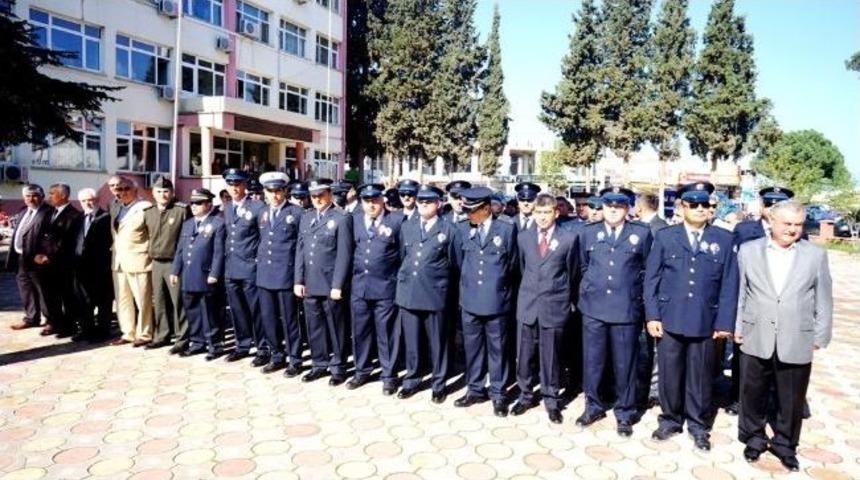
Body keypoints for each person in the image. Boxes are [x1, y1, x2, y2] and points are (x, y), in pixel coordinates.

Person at [734, 200, 832, 472]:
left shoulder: (815, 255)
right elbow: (741, 292)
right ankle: (753, 438)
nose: (792, 229)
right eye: (787, 223)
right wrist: (738, 327)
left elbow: (824, 298)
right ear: (772, 222)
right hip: (756, 333)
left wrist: (820, 335)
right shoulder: (749, 251)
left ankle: (785, 445)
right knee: (752, 392)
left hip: (796, 336)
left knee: (792, 398)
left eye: (798, 225)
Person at [644, 182, 738, 452]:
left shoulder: (723, 239)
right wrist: (652, 316)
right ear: (682, 207)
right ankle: (670, 420)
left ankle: (698, 425)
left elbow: (729, 284)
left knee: (700, 376)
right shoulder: (665, 236)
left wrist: (724, 322)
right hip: (670, 318)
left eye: (704, 205)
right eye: (693, 204)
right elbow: (652, 279)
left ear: (711, 209)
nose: (699, 209)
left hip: (705, 321)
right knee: (669, 374)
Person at [576, 187, 652, 437]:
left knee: (625, 364)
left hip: (625, 310)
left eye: (619, 206)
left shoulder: (640, 234)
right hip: (594, 309)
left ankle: (625, 412)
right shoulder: (588, 233)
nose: (613, 210)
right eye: (609, 205)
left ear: (627, 208)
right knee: (593, 362)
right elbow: (582, 267)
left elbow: (647, 272)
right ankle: (593, 406)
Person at [726, 186, 797, 416]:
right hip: (751, 302)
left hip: (781, 304)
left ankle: (774, 399)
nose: (771, 209)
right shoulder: (744, 230)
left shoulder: (796, 232)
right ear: (761, 205)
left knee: (779, 353)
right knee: (744, 354)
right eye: (768, 204)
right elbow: (735, 270)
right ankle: (738, 398)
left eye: (779, 206)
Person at [511, 193, 579, 424]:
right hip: (528, 305)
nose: (542, 217)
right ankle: (525, 395)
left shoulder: (569, 239)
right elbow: (520, 269)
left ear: (556, 213)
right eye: (538, 213)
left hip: (554, 306)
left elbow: (572, 273)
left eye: (547, 212)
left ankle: (551, 400)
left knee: (551, 357)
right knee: (525, 355)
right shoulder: (523, 238)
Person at [452, 187, 518, 417]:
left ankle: (499, 394)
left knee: (497, 349)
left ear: (486, 208)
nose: (468, 215)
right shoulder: (461, 229)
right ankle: (475, 389)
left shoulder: (507, 230)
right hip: (470, 300)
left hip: (497, 301)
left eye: (473, 211)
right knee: (473, 348)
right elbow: (458, 262)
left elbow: (513, 265)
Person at [396, 185, 457, 404]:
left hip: (434, 294)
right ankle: (412, 380)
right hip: (409, 293)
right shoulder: (407, 227)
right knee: (412, 342)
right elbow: (402, 257)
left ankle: (439, 384)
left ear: (438, 204)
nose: (423, 204)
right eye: (420, 201)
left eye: (428, 201)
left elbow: (454, 264)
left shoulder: (449, 229)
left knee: (437, 343)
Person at [294, 179, 354, 385]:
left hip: (330, 284)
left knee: (336, 327)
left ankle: (338, 366)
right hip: (310, 283)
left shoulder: (341, 217)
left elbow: (344, 255)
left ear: (329, 194)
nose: (317, 199)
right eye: (313, 196)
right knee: (314, 326)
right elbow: (300, 250)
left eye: (321, 195)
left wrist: (338, 284)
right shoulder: (307, 217)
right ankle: (319, 364)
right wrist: (298, 280)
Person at [348, 183, 406, 393]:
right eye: (367, 201)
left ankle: (389, 375)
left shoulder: (397, 221)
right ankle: (361, 371)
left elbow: (403, 256)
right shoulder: (353, 221)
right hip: (360, 288)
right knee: (360, 332)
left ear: (383, 200)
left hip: (385, 289)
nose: (371, 205)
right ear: (361, 202)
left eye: (375, 200)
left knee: (386, 334)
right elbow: (348, 253)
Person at [255, 172, 305, 376]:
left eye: (278, 191)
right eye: (270, 191)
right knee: (268, 318)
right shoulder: (262, 212)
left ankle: (295, 359)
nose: (274, 195)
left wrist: (298, 278)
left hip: (286, 275)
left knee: (290, 320)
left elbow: (300, 247)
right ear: (264, 192)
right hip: (265, 275)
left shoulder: (297, 213)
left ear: (285, 191)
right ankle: (276, 355)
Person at [171, 189, 226, 360]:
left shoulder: (217, 223)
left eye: (198, 203)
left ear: (208, 204)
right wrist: (175, 270)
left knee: (209, 312)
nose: (194, 206)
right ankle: (197, 342)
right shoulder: (188, 224)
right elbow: (180, 249)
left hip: (206, 275)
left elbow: (219, 252)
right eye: (192, 203)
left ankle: (214, 345)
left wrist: (215, 273)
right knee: (192, 311)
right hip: (188, 275)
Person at [221, 168, 267, 365]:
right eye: (231, 184)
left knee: (256, 310)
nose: (234, 188)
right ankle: (242, 345)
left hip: (250, 268)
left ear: (245, 185)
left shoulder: (257, 207)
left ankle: (263, 347)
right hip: (231, 268)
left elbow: (264, 238)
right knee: (237, 310)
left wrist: (258, 262)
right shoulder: (226, 208)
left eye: (238, 184)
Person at [143, 176, 189, 352]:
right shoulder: (149, 212)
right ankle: (162, 335)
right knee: (160, 301)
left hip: (174, 263)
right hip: (156, 263)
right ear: (153, 193)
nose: (163, 194)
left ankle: (181, 338)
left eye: (166, 191)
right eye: (159, 191)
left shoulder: (181, 211)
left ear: (172, 193)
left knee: (177, 301)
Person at [633, 192, 669, 410]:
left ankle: (653, 390)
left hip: (653, 295)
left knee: (653, 347)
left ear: (640, 206)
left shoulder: (658, 229)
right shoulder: (647, 225)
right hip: (642, 294)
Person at [111, 177, 154, 347]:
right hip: (120, 261)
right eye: (119, 190)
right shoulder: (118, 209)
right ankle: (127, 332)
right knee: (123, 300)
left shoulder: (144, 208)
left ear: (135, 190)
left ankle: (144, 333)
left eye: (126, 189)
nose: (122, 192)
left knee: (142, 300)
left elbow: (152, 234)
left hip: (139, 260)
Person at [7, 185, 52, 331]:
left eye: (34, 195)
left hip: (37, 259)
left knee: (44, 290)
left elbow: (52, 237)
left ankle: (51, 320)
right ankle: (31, 318)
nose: (31, 199)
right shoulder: (23, 211)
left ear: (42, 196)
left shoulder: (48, 213)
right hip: (20, 257)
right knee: (25, 289)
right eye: (27, 196)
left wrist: (46, 254)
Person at [40, 183, 83, 337]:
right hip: (47, 263)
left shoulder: (74, 215)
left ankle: (69, 327)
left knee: (67, 296)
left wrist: (49, 256)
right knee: (51, 297)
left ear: (63, 195)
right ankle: (56, 323)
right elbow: (46, 236)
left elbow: (67, 241)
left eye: (52, 193)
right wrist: (39, 254)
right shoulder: (51, 212)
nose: (49, 196)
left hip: (64, 264)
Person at [71, 188, 114, 342]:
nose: (87, 203)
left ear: (97, 200)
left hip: (100, 268)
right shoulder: (78, 219)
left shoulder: (106, 218)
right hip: (81, 267)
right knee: (83, 301)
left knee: (103, 301)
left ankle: (103, 332)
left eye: (90, 200)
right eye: (83, 201)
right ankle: (86, 330)